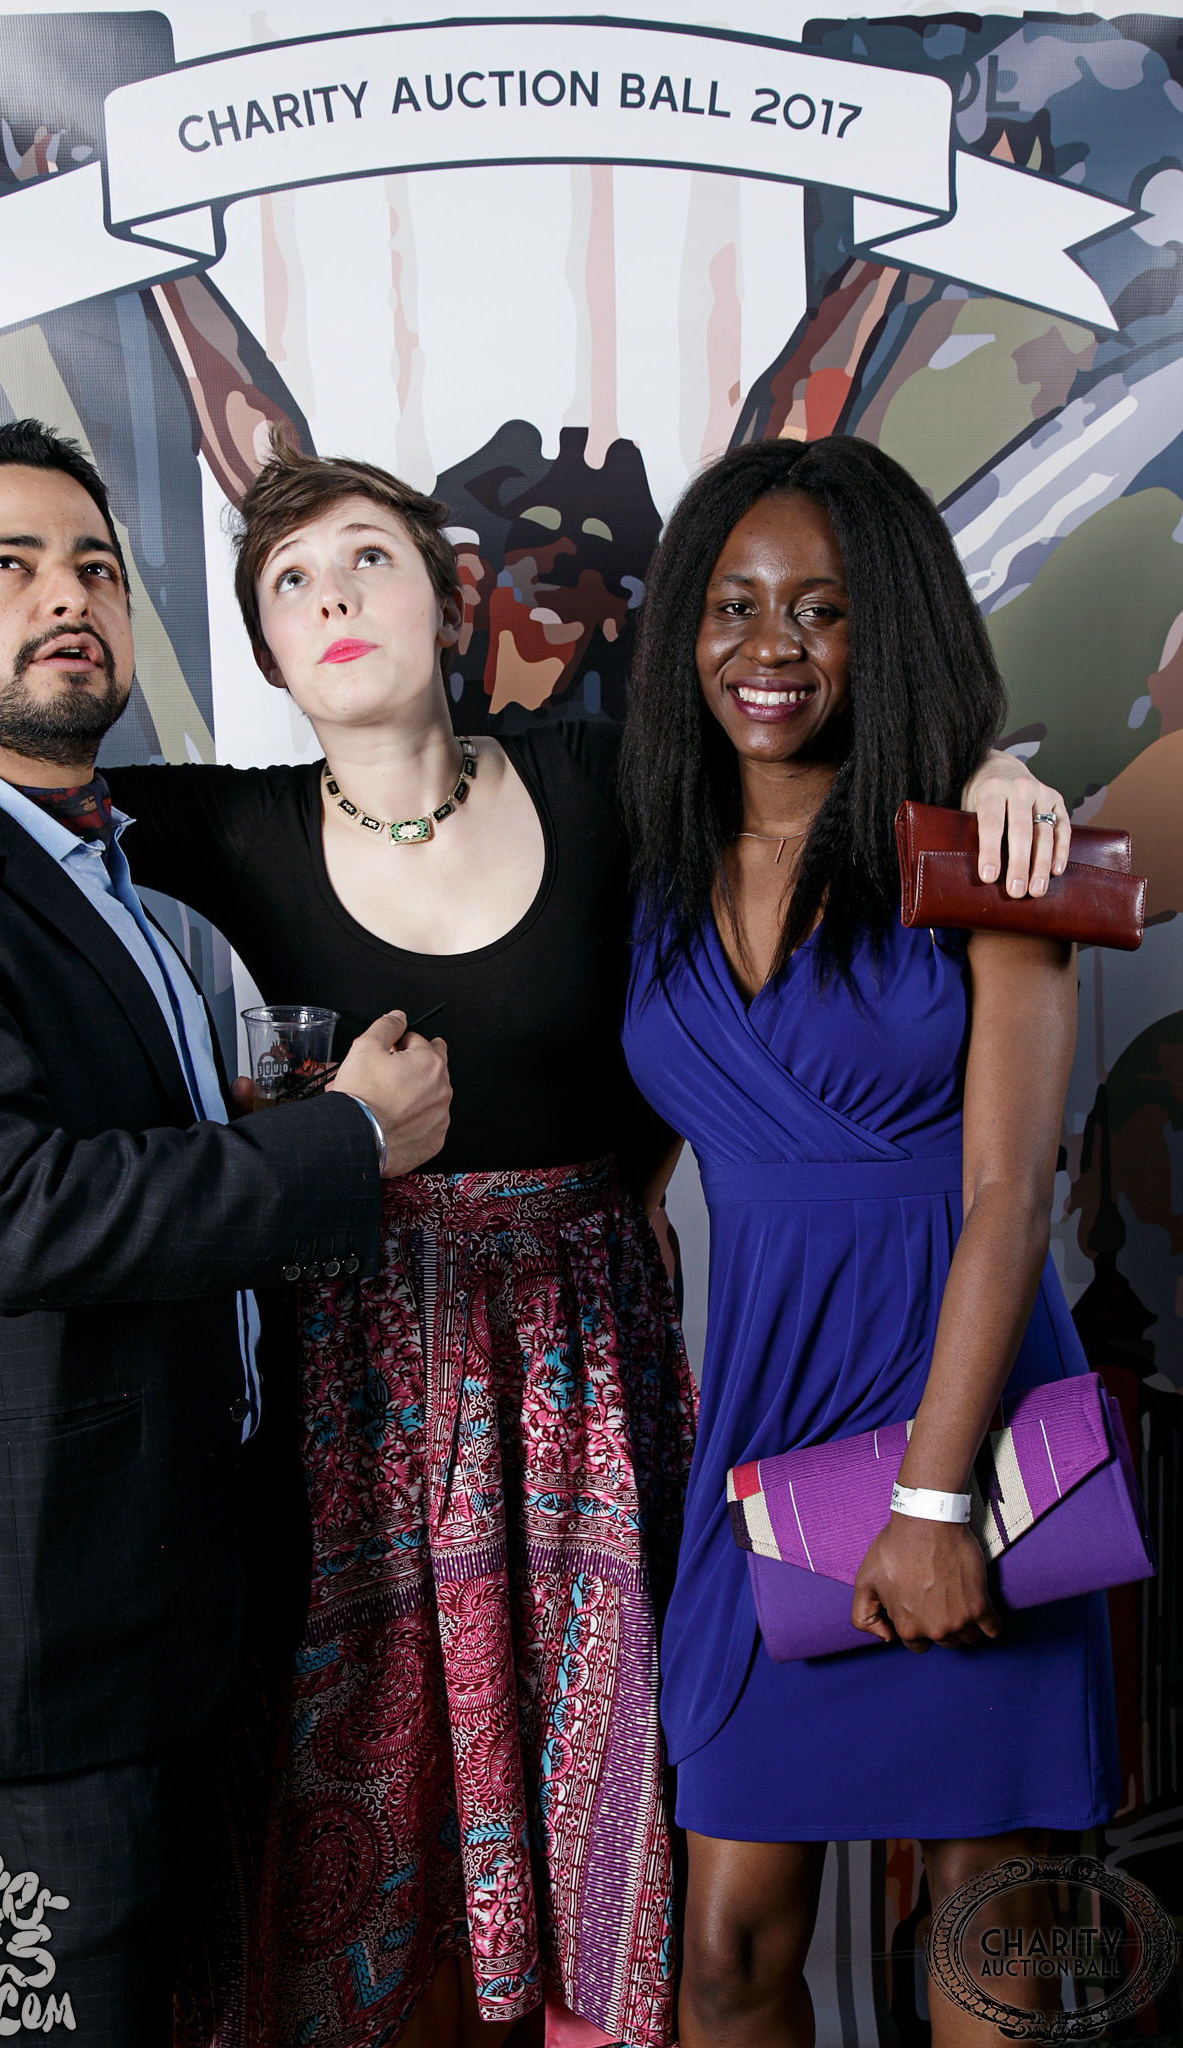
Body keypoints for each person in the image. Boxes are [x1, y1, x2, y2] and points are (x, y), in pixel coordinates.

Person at [0, 439, 1071, 2048]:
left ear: (450, 598)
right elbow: (7, 786)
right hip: (349, 1414)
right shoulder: (218, 825)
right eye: (291, 582)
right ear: (267, 654)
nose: (334, 598)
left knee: (648, 1850)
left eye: (370, 560)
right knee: (343, 1849)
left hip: (594, 1395)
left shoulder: (606, 780)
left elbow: (805, 767)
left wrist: (988, 775)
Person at [0, 421, 450, 2044]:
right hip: (40, 1618)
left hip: (170, 1583)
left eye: (94, 566)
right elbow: (14, 1217)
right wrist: (345, 1143)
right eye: (9, 566)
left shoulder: (102, 860)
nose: (66, 597)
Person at [618, 436, 1115, 2048]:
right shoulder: (651, 864)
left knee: (993, 1949)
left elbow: (1008, 1195)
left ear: (884, 627)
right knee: (724, 1960)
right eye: (732, 604)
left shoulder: (986, 853)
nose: (768, 647)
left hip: (958, 1425)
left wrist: (930, 1497)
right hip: (763, 1444)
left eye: (819, 610)